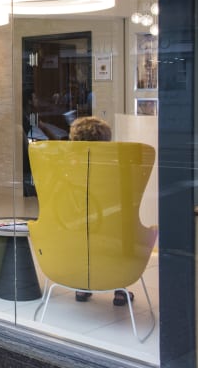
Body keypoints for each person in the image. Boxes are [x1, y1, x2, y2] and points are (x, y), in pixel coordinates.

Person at [69, 116, 133, 307]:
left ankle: (83, 286)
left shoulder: (71, 165)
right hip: (110, 220)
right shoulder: (115, 163)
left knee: (85, 245)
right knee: (116, 243)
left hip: (78, 221)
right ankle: (119, 290)